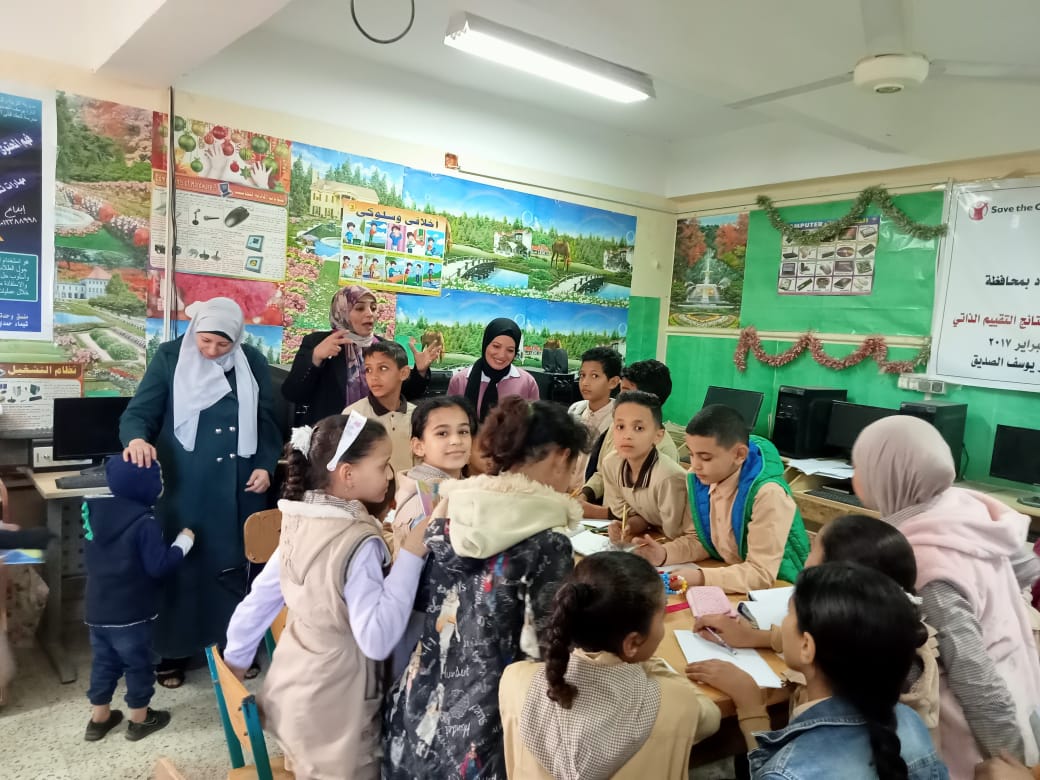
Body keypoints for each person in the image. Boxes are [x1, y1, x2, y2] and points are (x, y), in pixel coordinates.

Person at [382, 397, 589, 779]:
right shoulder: (548, 543)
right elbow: (549, 651)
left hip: (417, 718)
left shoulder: (451, 509)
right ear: (562, 457)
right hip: (483, 738)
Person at [223, 412, 430, 779]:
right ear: (347, 474)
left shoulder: (299, 519)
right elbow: (377, 639)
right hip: (337, 710)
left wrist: (235, 663)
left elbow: (257, 602)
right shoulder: (358, 542)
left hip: (293, 693)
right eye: (383, 464)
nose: (389, 475)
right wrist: (412, 553)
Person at [852, 416, 1040, 778]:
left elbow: (973, 673)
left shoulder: (924, 561)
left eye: (861, 466)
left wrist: (1013, 764)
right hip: (1020, 682)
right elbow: (1026, 571)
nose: (855, 477)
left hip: (981, 735)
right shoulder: (963, 509)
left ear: (890, 473)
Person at [120, 297, 282, 688]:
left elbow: (267, 421)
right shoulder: (170, 356)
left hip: (240, 484)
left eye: (222, 344)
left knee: (234, 570)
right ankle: (173, 652)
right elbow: (139, 413)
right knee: (180, 565)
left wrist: (265, 464)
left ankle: (233, 649)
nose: (211, 351)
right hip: (184, 484)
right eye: (205, 341)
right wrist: (137, 439)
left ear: (236, 339)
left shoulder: (251, 362)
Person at [694, 513, 940, 737]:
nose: (804, 563)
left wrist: (751, 705)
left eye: (812, 551)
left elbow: (788, 765)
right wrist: (756, 637)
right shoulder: (881, 643)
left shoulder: (842, 698)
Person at [693, 563, 947, 779]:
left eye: (788, 614)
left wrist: (751, 707)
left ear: (807, 646)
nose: (782, 623)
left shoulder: (788, 772)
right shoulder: (911, 722)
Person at [499, 552, 721, 779]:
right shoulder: (676, 702)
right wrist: (652, 664)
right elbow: (711, 719)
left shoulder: (515, 679)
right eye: (662, 616)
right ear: (632, 643)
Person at [82, 457, 194, 742]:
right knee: (138, 665)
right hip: (131, 611)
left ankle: (99, 719)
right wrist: (183, 543)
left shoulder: (94, 513)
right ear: (145, 486)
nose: (162, 484)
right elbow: (158, 567)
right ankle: (140, 720)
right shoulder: (145, 522)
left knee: (103, 662)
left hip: (96, 609)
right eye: (159, 479)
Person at [658, 405, 809, 588]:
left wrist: (700, 577)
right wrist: (662, 554)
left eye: (705, 458)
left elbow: (761, 573)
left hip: (782, 588)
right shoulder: (698, 479)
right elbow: (701, 541)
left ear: (739, 455)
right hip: (735, 578)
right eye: (691, 454)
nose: (695, 465)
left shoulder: (768, 494)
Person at [282, 285, 436, 425]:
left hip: (377, 433)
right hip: (331, 434)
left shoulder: (385, 347)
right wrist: (315, 357)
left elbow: (403, 394)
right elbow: (293, 393)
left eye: (373, 308)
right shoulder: (318, 342)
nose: (370, 314)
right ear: (342, 311)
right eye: (360, 308)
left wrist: (420, 371)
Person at [580, 359, 678, 514]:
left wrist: (599, 513)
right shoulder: (615, 427)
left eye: (625, 392)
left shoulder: (665, 451)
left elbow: (651, 513)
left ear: (648, 399)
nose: (619, 397)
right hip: (602, 523)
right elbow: (602, 473)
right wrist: (584, 495)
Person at [596, 391, 690, 547]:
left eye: (638, 428)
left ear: (658, 436)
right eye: (620, 426)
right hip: (651, 538)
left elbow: (675, 535)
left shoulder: (668, 477)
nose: (627, 435)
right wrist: (628, 526)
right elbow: (635, 516)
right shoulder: (611, 464)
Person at [390, 396, 477, 557]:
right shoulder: (427, 499)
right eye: (442, 433)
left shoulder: (460, 486)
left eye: (463, 432)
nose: (456, 440)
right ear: (418, 446)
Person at [447, 318, 539, 422]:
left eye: (510, 350)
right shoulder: (460, 380)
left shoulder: (527, 383)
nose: (502, 355)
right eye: (496, 346)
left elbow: (535, 424)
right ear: (486, 344)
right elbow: (449, 421)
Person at [344, 341, 415, 475]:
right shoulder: (354, 415)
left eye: (382, 368)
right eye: (368, 370)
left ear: (404, 373)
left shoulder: (417, 415)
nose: (374, 377)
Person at [567, 346, 621, 491]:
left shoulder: (618, 420)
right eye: (582, 375)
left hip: (592, 495)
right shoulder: (575, 410)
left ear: (613, 382)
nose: (585, 382)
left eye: (595, 376)